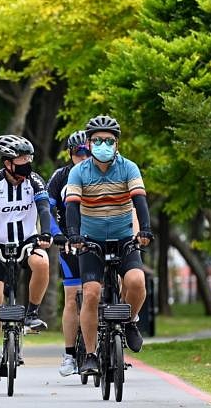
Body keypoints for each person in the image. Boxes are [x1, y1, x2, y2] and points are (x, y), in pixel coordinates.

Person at [65, 115, 154, 375]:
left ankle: (129, 321)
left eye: (108, 140)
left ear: (117, 144)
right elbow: (72, 206)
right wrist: (73, 234)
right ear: (89, 144)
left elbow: (140, 201)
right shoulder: (78, 171)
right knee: (91, 293)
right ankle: (91, 355)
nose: (103, 144)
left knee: (136, 282)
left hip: (124, 236)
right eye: (97, 140)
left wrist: (145, 230)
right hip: (91, 240)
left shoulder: (129, 168)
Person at [0, 134, 53, 381]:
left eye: (29, 157)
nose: (27, 162)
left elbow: (44, 208)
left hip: (27, 240)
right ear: (8, 162)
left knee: (41, 262)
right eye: (22, 158)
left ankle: (32, 313)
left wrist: (45, 233)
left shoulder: (35, 180)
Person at [47, 130, 90, 376]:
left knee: (111, 284)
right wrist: (56, 235)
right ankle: (70, 354)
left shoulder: (102, 175)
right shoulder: (60, 177)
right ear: (70, 154)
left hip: (98, 238)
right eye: (77, 153)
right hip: (69, 242)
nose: (82, 157)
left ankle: (113, 339)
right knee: (72, 295)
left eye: (87, 152)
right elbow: (47, 209)